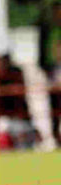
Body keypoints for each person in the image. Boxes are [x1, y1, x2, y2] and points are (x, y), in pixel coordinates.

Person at [38, 1, 61, 146]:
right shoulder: (47, 30)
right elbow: (43, 53)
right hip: (52, 72)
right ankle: (55, 136)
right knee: (54, 106)